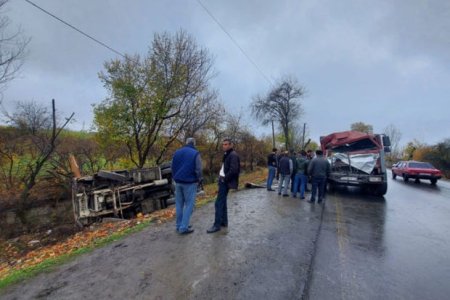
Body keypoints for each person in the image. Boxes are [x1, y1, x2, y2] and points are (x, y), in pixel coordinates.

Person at [207, 138, 241, 234]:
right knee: (223, 202)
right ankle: (224, 222)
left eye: (226, 144)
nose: (224, 146)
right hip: (223, 180)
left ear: (231, 145)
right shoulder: (227, 154)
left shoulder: (233, 155)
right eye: (223, 144)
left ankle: (216, 225)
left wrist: (224, 179)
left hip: (225, 182)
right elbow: (225, 168)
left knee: (218, 203)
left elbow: (234, 170)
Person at [171, 137, 202, 235]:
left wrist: (175, 177)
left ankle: (179, 225)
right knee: (190, 205)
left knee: (179, 204)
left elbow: (172, 166)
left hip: (178, 182)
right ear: (194, 144)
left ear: (186, 143)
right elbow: (198, 169)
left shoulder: (177, 152)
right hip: (190, 182)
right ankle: (183, 227)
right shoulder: (195, 153)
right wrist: (199, 180)